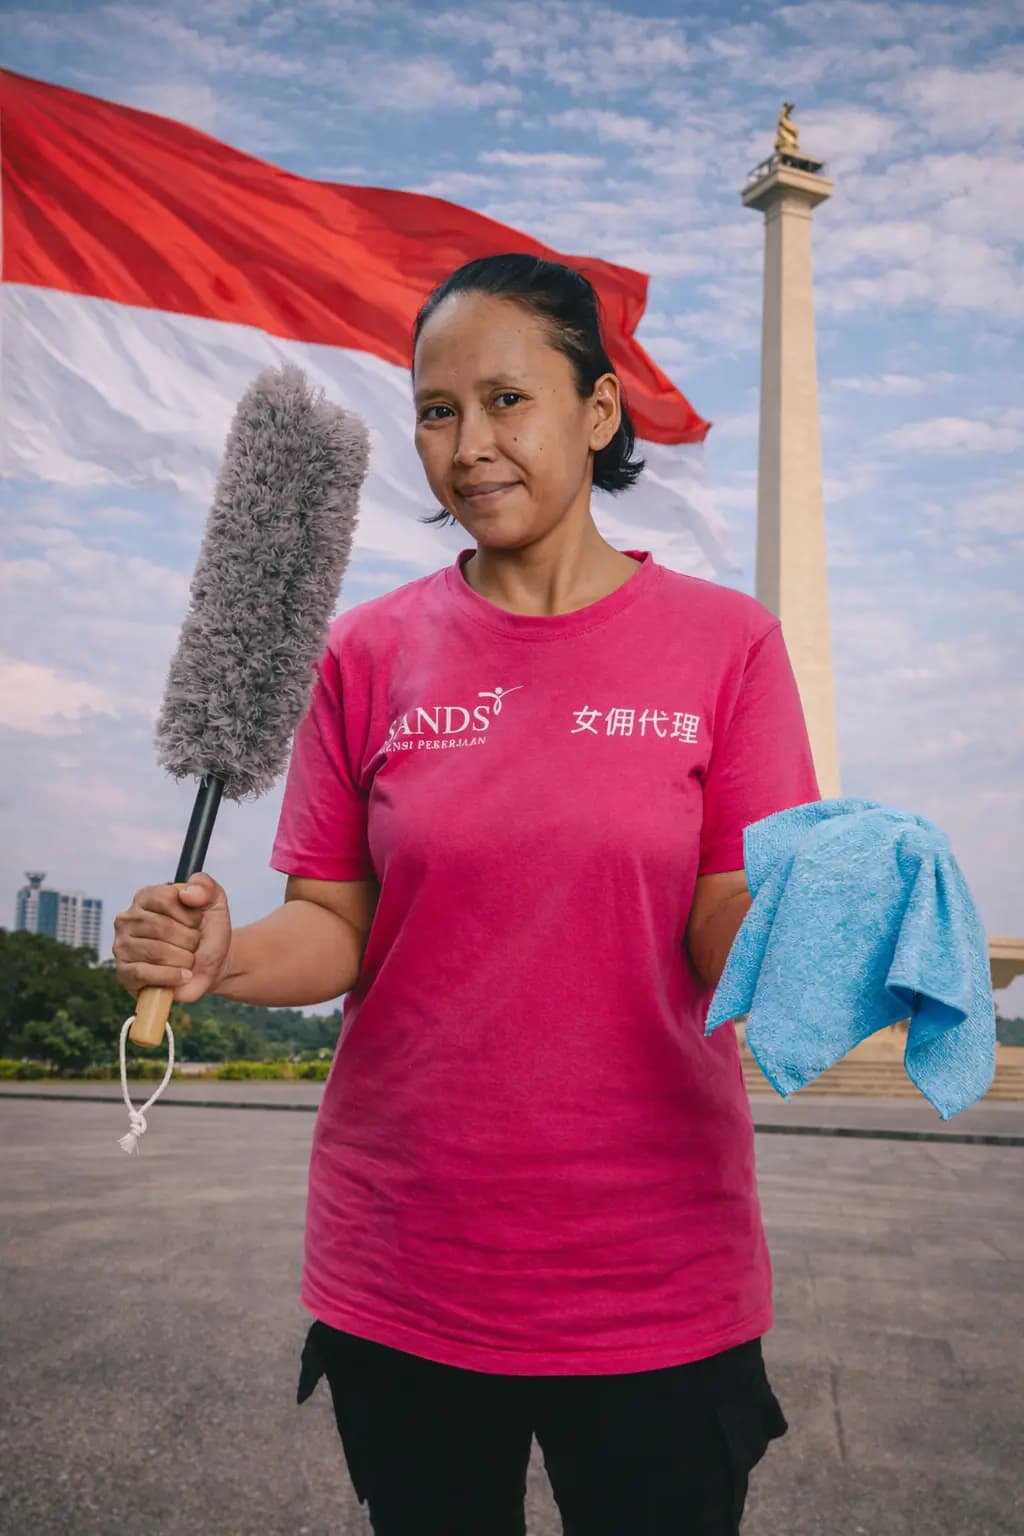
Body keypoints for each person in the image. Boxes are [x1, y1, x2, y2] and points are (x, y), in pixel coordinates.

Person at [114, 254, 820, 1535]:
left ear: (597, 413)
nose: (469, 444)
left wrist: (818, 908)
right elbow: (335, 924)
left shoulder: (730, 646)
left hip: (653, 1268)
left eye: (506, 400)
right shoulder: (368, 650)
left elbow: (724, 917)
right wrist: (219, 953)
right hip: (409, 1258)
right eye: (438, 410)